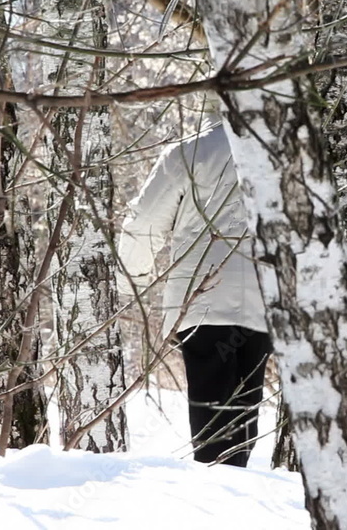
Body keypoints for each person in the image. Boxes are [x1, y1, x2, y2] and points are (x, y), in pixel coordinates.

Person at [116, 116, 270, 468]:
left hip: (203, 298)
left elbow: (146, 220)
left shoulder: (190, 150)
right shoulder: (284, 151)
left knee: (210, 401)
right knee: (245, 403)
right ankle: (238, 480)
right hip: (264, 299)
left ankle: (216, 480)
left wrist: (131, 278)